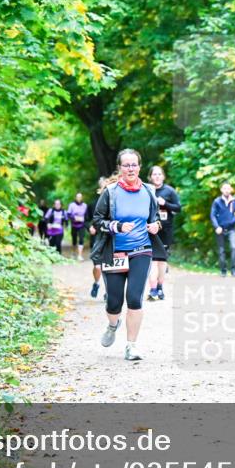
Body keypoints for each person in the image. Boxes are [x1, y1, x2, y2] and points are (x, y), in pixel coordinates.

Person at [91, 150, 165, 361]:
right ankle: (113, 324)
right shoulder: (111, 192)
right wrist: (117, 225)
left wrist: (155, 226)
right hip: (115, 251)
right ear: (120, 168)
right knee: (114, 302)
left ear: (140, 167)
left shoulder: (149, 191)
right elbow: (97, 220)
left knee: (134, 298)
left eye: (134, 165)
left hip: (142, 249)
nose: (130, 169)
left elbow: (156, 218)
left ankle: (131, 346)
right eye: (126, 165)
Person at [147, 165, 181, 301]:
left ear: (163, 176)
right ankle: (152, 289)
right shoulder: (147, 190)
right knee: (152, 260)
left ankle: (160, 287)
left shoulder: (169, 191)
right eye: (154, 174)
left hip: (165, 230)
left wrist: (165, 203)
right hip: (151, 230)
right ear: (150, 177)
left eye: (159, 174)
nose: (157, 176)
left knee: (161, 261)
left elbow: (178, 208)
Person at [210, 182, 235, 277]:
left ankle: (234, 270)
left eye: (228, 188)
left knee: (234, 248)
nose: (226, 190)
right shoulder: (217, 201)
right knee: (221, 250)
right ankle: (223, 271)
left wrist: (233, 221)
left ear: (231, 189)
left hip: (232, 229)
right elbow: (212, 215)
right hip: (220, 229)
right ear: (221, 189)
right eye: (224, 188)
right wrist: (217, 227)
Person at [87, 177, 109, 298]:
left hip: (111, 237)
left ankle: (108, 290)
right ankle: (96, 283)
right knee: (97, 266)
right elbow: (88, 219)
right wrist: (90, 226)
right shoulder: (93, 204)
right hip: (97, 236)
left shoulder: (116, 201)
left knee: (109, 266)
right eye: (103, 186)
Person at [67, 192, 89, 261]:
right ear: (75, 198)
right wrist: (74, 218)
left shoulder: (85, 205)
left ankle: (80, 255)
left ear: (82, 198)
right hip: (74, 225)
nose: (79, 198)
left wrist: (84, 219)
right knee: (74, 240)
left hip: (82, 225)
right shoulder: (71, 205)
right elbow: (68, 214)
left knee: (81, 239)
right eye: (77, 197)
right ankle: (73, 252)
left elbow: (87, 216)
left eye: (80, 197)